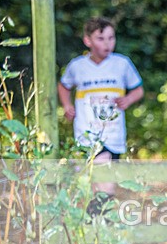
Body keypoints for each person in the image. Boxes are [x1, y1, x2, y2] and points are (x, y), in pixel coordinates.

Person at [58, 17, 144, 216]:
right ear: (88, 41)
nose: (107, 44)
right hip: (85, 135)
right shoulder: (77, 66)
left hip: (112, 135)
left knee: (103, 186)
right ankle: (98, 229)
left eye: (111, 38)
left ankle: (98, 229)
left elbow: (138, 90)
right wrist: (67, 105)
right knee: (93, 187)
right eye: (101, 38)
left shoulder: (122, 64)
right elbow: (63, 86)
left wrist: (128, 100)